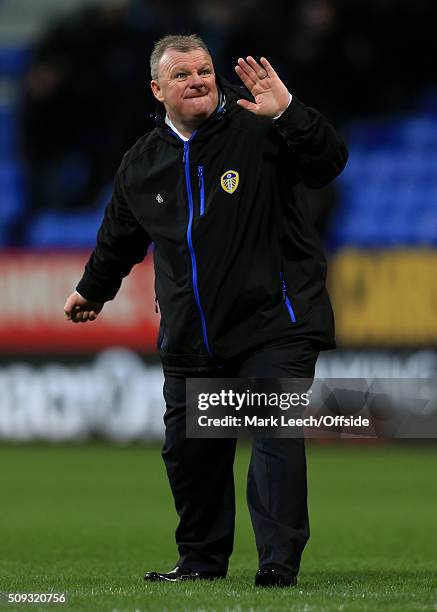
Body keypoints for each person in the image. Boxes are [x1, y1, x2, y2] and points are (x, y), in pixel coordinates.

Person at [64, 34, 347, 587]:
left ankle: (277, 565)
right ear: (157, 88)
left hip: (276, 323)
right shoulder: (142, 162)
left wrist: (290, 112)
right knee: (192, 456)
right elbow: (120, 237)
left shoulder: (260, 125)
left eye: (204, 70)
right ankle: (199, 562)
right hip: (194, 337)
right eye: (182, 74)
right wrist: (93, 291)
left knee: (274, 436)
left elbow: (329, 161)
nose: (197, 79)